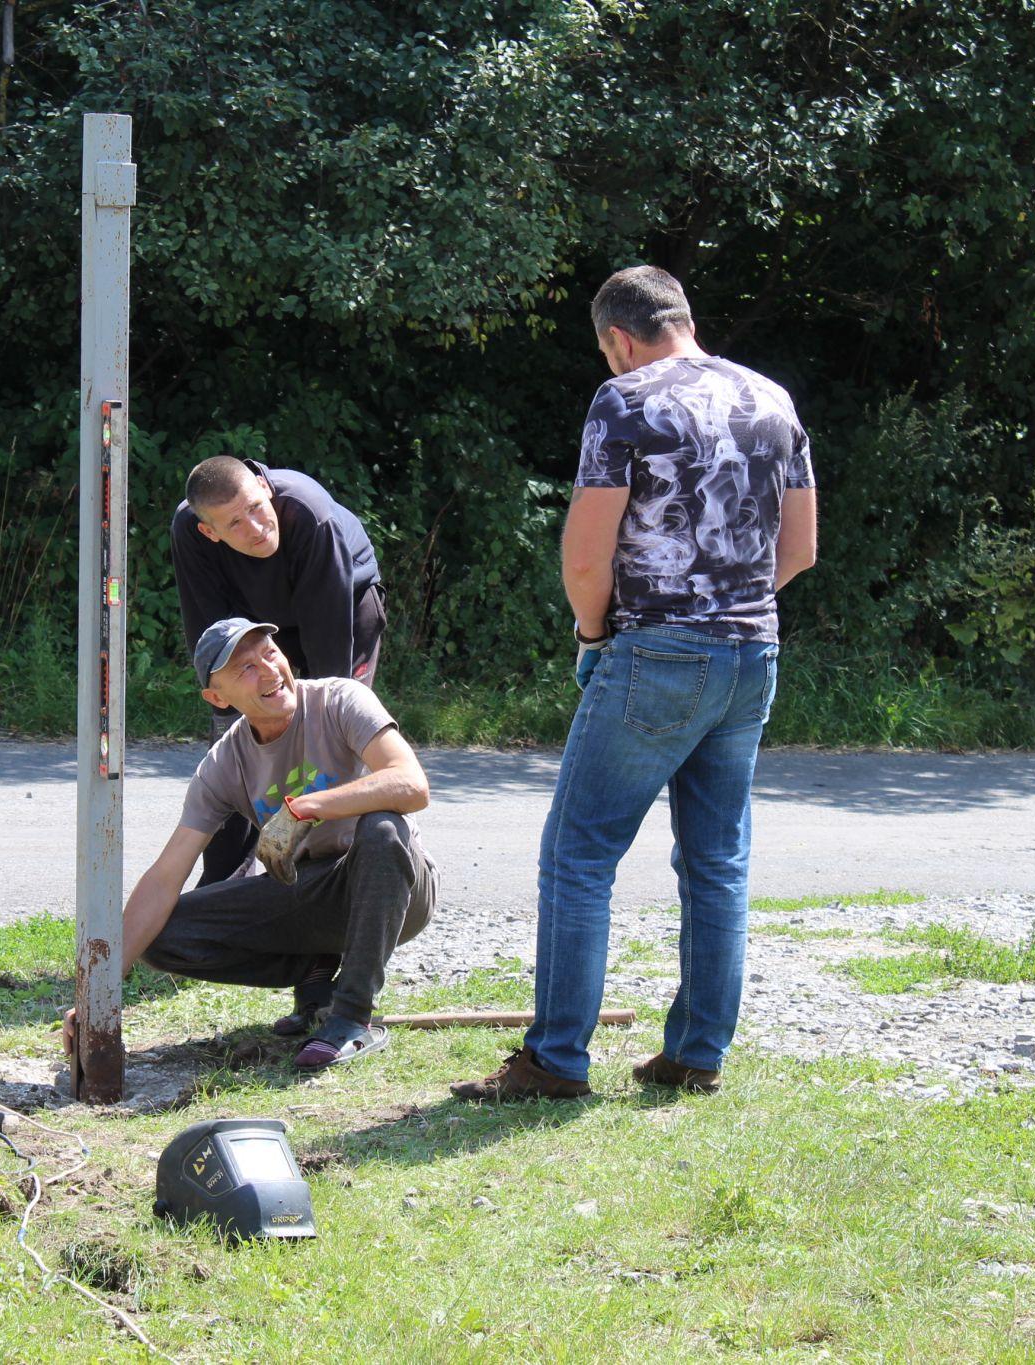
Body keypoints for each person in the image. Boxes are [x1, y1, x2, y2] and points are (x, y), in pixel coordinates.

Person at [452, 265, 818, 1103]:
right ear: (682, 318)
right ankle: (695, 1054)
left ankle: (554, 1060)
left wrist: (593, 634)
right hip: (751, 652)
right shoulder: (772, 400)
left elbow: (585, 557)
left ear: (617, 338)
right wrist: (730, 607)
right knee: (717, 860)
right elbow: (796, 552)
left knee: (579, 854)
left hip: (655, 650)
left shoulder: (627, 401)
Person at [64, 617, 436, 1070]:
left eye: (270, 653)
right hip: (312, 890)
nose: (269, 670)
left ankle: (352, 1017)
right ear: (217, 697)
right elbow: (165, 877)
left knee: (381, 829)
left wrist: (308, 805)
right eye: (245, 668)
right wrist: (98, 993)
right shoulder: (225, 763)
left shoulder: (340, 700)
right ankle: (313, 970)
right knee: (160, 937)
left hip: (398, 887)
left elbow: (412, 785)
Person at [171, 455, 386, 893]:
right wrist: (232, 715)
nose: (255, 528)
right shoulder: (189, 533)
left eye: (255, 507)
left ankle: (329, 879)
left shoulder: (309, 515)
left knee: (330, 739)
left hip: (346, 603)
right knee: (241, 741)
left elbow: (330, 681)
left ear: (264, 487)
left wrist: (321, 726)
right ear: (209, 532)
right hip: (258, 624)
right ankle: (222, 887)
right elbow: (212, 642)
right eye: (234, 524)